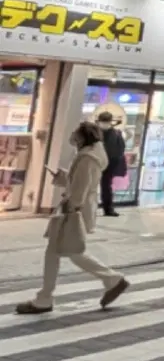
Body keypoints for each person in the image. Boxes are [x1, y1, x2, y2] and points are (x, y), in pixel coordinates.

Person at [17, 121, 129, 315]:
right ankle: (111, 280)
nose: (73, 138)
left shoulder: (87, 158)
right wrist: (63, 177)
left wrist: (71, 206)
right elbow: (81, 181)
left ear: (83, 136)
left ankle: (46, 298)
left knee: (70, 251)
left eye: (75, 134)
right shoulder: (91, 155)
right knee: (63, 251)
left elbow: (81, 188)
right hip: (77, 209)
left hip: (74, 211)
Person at [95, 109, 127, 217]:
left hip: (109, 164)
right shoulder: (94, 132)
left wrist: (114, 164)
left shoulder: (116, 134)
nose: (104, 124)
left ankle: (108, 209)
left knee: (106, 186)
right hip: (94, 162)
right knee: (90, 186)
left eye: (106, 121)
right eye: (102, 121)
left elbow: (120, 150)